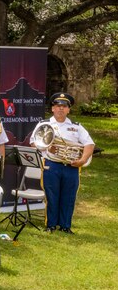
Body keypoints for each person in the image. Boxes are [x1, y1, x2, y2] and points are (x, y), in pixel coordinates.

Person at [30, 92, 94, 234]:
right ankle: (51, 225)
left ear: (68, 109)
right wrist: (47, 147)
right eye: (58, 106)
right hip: (51, 165)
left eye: (64, 106)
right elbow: (33, 143)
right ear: (52, 108)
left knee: (69, 196)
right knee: (52, 196)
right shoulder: (44, 124)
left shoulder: (76, 127)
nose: (60, 109)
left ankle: (66, 226)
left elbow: (90, 144)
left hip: (72, 167)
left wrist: (82, 160)